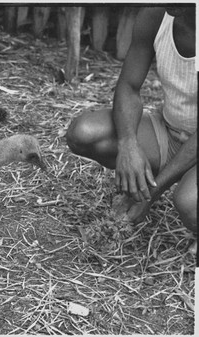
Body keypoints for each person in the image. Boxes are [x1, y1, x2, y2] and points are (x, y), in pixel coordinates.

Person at [66, 7, 197, 244]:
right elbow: (129, 86)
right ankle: (154, 176)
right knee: (85, 133)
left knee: (190, 204)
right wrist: (128, 145)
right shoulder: (156, 15)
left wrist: (150, 195)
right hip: (169, 130)